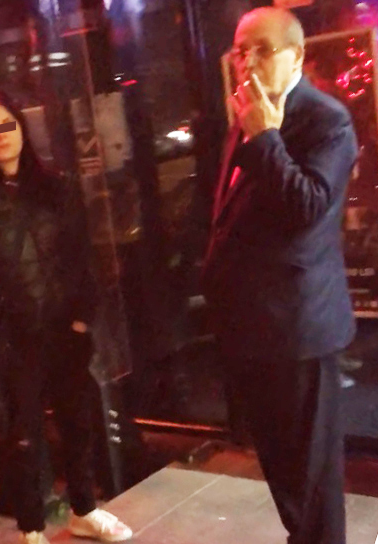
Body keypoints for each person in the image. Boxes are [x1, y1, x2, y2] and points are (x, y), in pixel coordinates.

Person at [202, 7, 358, 544]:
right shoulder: (250, 110)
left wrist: (266, 137)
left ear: (297, 55)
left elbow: (307, 207)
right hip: (251, 325)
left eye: (262, 50)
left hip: (298, 325)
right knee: (281, 465)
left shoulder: (326, 120)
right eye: (240, 50)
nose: (247, 61)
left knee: (312, 474)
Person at [0, 88, 133, 544]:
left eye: (7, 124)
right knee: (22, 435)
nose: (1, 135)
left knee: (78, 424)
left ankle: (84, 510)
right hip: (8, 335)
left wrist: (83, 318)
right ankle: (31, 529)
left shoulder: (55, 188)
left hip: (64, 328)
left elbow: (83, 257)